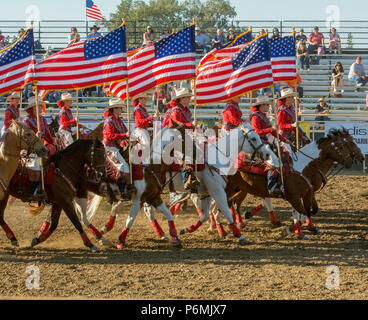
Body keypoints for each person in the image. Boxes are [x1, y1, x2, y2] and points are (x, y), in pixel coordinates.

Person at [250, 95, 289, 196]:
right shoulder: (255, 117)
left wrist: (283, 139)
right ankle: (271, 185)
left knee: (282, 156)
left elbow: (273, 132)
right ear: (261, 106)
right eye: (266, 105)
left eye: (268, 105)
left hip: (265, 143)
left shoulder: (264, 116)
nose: (268, 107)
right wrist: (270, 129)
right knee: (273, 160)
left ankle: (279, 182)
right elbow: (256, 132)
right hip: (258, 144)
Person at [23, 96, 55, 202]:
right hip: (31, 147)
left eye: (42, 106)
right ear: (33, 108)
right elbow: (26, 137)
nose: (41, 108)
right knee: (36, 167)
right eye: (39, 106)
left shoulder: (43, 118)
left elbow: (47, 133)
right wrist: (36, 135)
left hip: (41, 145)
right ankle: (31, 192)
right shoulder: (26, 120)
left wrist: (52, 142)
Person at [103, 98, 135, 199]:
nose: (121, 109)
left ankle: (126, 189)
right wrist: (124, 135)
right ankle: (120, 191)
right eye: (120, 108)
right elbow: (109, 136)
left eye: (121, 108)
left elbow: (125, 132)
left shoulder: (119, 120)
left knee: (130, 163)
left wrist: (129, 138)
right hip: (109, 147)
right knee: (122, 166)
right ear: (114, 109)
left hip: (116, 146)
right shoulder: (109, 121)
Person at [167, 88, 198, 192]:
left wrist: (193, 126)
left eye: (188, 97)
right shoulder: (176, 110)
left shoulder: (187, 110)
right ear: (180, 99)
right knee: (186, 154)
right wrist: (190, 125)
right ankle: (186, 180)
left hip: (185, 136)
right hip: (175, 136)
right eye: (185, 97)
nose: (188, 99)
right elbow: (177, 125)